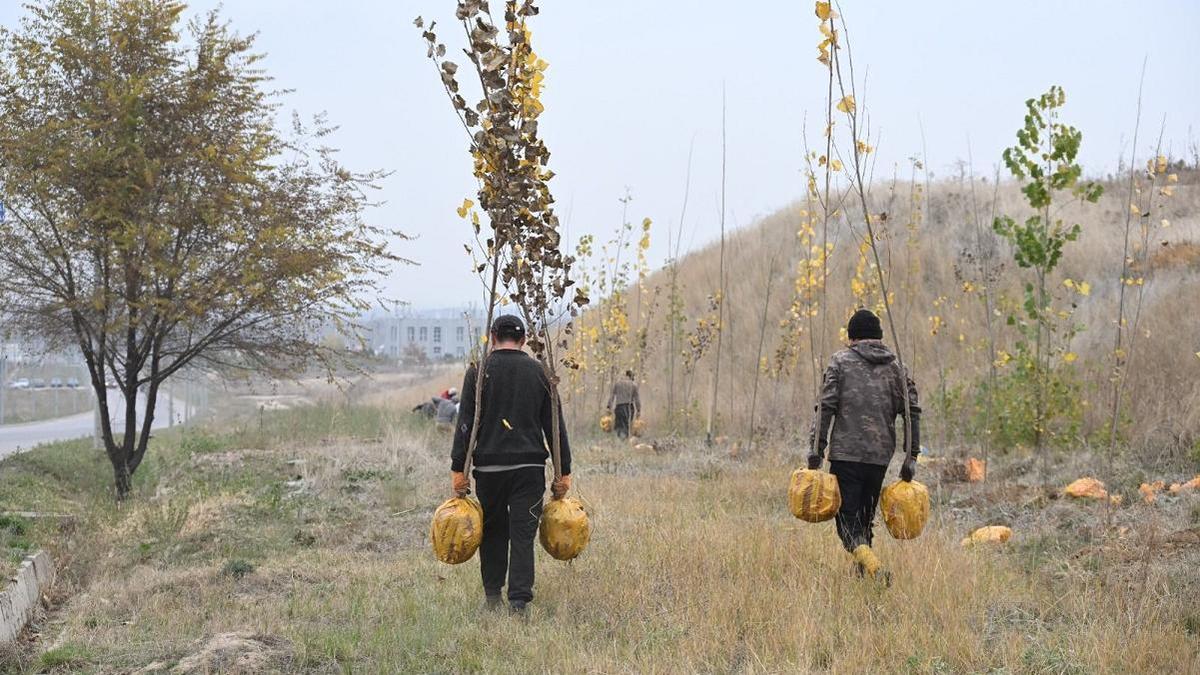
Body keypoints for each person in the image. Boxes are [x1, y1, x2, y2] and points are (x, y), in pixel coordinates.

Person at [450, 314, 572, 614]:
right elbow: (555, 426)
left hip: (489, 471)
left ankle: (493, 597)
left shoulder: (478, 372)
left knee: (492, 532)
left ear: (493, 337)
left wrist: (458, 469)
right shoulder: (540, 372)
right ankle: (519, 603)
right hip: (529, 470)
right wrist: (563, 471)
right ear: (523, 340)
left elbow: (466, 423)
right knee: (522, 535)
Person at [807, 309, 921, 583]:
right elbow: (912, 411)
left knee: (847, 521)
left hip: (846, 455)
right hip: (880, 457)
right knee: (865, 518)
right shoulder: (897, 367)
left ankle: (874, 567)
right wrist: (911, 455)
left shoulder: (841, 361)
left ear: (852, 337)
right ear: (879, 337)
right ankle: (864, 576)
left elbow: (826, 407)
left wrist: (816, 450)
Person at [606, 369, 641, 439]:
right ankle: (625, 440)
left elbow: (612, 396)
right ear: (631, 377)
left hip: (618, 407)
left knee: (619, 425)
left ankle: (619, 441)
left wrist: (609, 407)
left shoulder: (617, 384)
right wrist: (638, 410)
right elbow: (637, 399)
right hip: (629, 407)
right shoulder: (633, 385)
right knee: (627, 425)